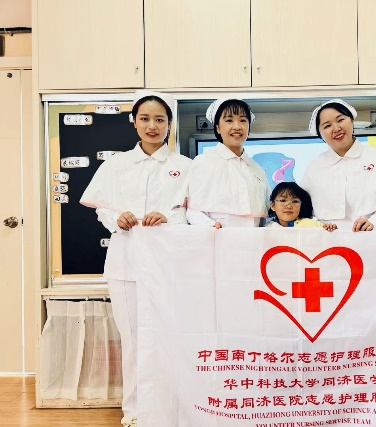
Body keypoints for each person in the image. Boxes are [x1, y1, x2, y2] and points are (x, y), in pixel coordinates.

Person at [80, 90, 191, 427]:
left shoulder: (185, 167)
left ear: (170, 124)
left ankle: (172, 409)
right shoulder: (116, 165)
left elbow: (193, 213)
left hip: (170, 266)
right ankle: (134, 412)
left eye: (160, 119)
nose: (152, 125)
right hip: (125, 263)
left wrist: (170, 218)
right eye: (145, 118)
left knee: (170, 337)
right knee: (132, 339)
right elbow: (102, 209)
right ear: (134, 122)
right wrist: (117, 218)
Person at [301, 99, 376, 231]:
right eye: (327, 126)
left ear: (352, 120)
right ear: (320, 134)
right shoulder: (314, 168)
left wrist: (374, 222)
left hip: (372, 236)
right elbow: (304, 213)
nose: (336, 128)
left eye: (340, 120)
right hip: (328, 240)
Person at [186, 98, 270, 227]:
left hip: (254, 239)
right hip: (216, 237)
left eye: (243, 120)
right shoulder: (203, 162)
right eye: (229, 120)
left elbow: (265, 214)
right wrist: (210, 226)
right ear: (218, 127)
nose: (237, 127)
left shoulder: (256, 169)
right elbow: (193, 211)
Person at [265, 181, 337, 231]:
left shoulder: (312, 225)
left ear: (301, 205)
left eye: (295, 201)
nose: (289, 206)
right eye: (283, 200)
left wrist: (330, 229)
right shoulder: (267, 230)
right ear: (273, 205)